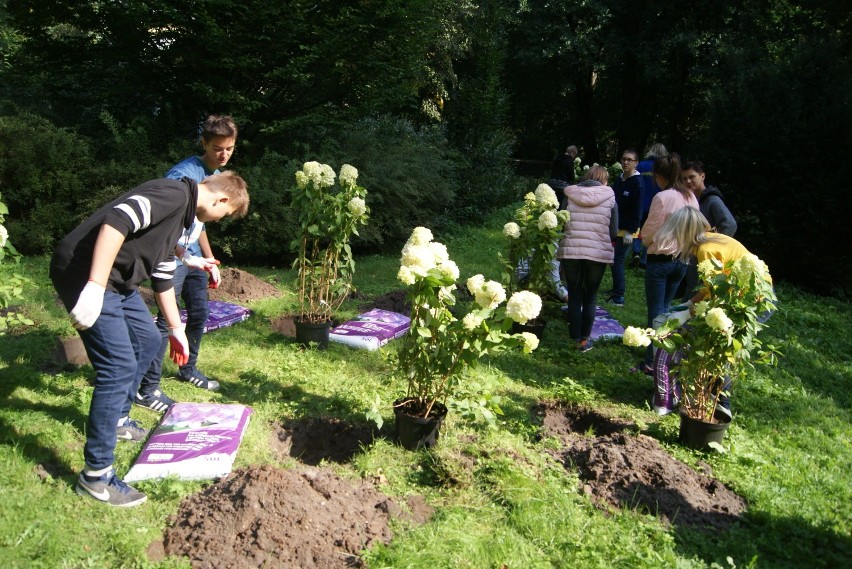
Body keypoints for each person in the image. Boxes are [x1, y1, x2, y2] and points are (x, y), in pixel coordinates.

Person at [50, 171, 249, 506]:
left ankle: (116, 419)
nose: (217, 221)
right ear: (221, 199)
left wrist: (175, 330)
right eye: (223, 215)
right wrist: (95, 286)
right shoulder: (174, 195)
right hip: (86, 273)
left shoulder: (181, 215)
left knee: (147, 339)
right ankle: (96, 476)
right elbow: (117, 221)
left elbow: (161, 276)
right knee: (118, 366)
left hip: (120, 282)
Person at [135, 116, 238, 412]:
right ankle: (148, 387)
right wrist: (184, 254)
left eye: (229, 149)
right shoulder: (182, 176)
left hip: (193, 256)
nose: (223, 154)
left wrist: (208, 259)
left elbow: (201, 222)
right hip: (173, 255)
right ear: (204, 143)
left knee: (200, 311)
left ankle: (187, 369)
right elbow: (162, 223)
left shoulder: (215, 172)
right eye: (218, 148)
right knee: (165, 321)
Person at [648, 206, 773, 415]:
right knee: (716, 342)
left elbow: (717, 296)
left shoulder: (707, 250)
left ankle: (721, 404)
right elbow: (710, 288)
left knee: (727, 346)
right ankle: (704, 399)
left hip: (754, 301)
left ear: (682, 233)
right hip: (750, 295)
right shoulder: (711, 240)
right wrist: (689, 304)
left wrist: (687, 314)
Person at [632, 153, 698, 374]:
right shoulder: (690, 196)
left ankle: (652, 361)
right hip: (682, 259)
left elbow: (650, 230)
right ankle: (665, 357)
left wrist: (645, 242)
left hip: (660, 260)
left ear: (659, 176)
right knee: (668, 310)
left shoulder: (663, 197)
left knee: (656, 313)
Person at [557, 165, 617, 352]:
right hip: (597, 253)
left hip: (572, 250)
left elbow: (561, 223)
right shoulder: (610, 197)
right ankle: (584, 340)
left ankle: (574, 336)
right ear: (604, 180)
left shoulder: (570, 195)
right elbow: (614, 232)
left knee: (574, 294)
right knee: (590, 296)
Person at [679, 160, 737, 300]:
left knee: (698, 295)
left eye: (692, 177)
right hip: (694, 257)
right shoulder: (693, 199)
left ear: (702, 176)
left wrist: (712, 245)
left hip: (707, 259)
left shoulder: (712, 200)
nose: (688, 181)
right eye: (684, 178)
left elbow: (730, 224)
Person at [607, 148, 643, 307]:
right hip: (615, 227)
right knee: (612, 260)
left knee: (617, 261)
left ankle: (619, 296)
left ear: (636, 163)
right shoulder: (619, 179)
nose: (626, 162)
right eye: (624, 159)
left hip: (627, 230)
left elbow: (638, 208)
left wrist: (631, 231)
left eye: (629, 160)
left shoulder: (638, 183)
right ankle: (615, 289)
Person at [633, 143, 668, 268]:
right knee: (651, 230)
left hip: (640, 202)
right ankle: (644, 258)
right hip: (656, 204)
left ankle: (635, 252)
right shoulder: (663, 168)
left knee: (637, 228)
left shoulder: (642, 165)